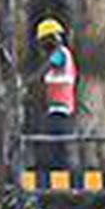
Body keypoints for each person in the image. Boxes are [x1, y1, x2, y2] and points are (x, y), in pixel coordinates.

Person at [37, 18, 78, 170]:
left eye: (45, 41)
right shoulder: (57, 56)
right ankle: (57, 172)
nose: (43, 45)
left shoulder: (61, 54)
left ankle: (65, 175)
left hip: (62, 110)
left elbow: (45, 68)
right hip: (55, 109)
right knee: (54, 145)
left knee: (58, 145)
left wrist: (24, 83)